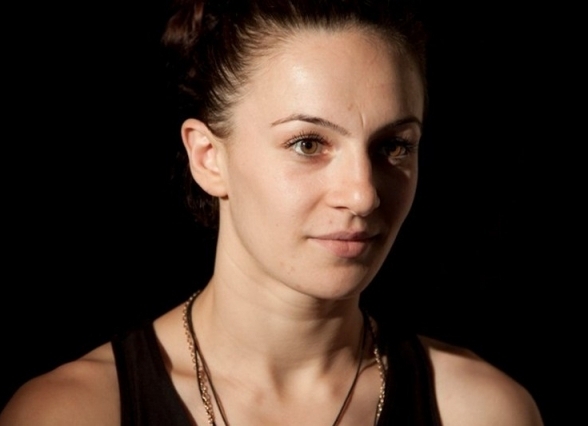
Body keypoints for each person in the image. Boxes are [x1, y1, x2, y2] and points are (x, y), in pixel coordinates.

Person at [0, 1, 543, 425]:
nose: (363, 195)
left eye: (394, 146)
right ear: (208, 157)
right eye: (308, 144)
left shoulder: (483, 412)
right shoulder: (74, 413)